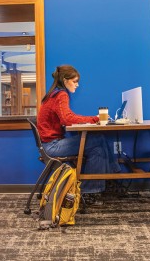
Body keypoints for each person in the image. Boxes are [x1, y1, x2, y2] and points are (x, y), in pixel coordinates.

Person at [37, 64, 120, 194]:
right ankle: (111, 177)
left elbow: (69, 116)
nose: (77, 85)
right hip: (52, 147)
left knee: (97, 147)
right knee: (98, 138)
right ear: (65, 80)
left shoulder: (53, 94)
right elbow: (67, 119)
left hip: (48, 145)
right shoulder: (61, 95)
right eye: (75, 81)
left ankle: (94, 188)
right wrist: (95, 119)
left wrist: (93, 119)